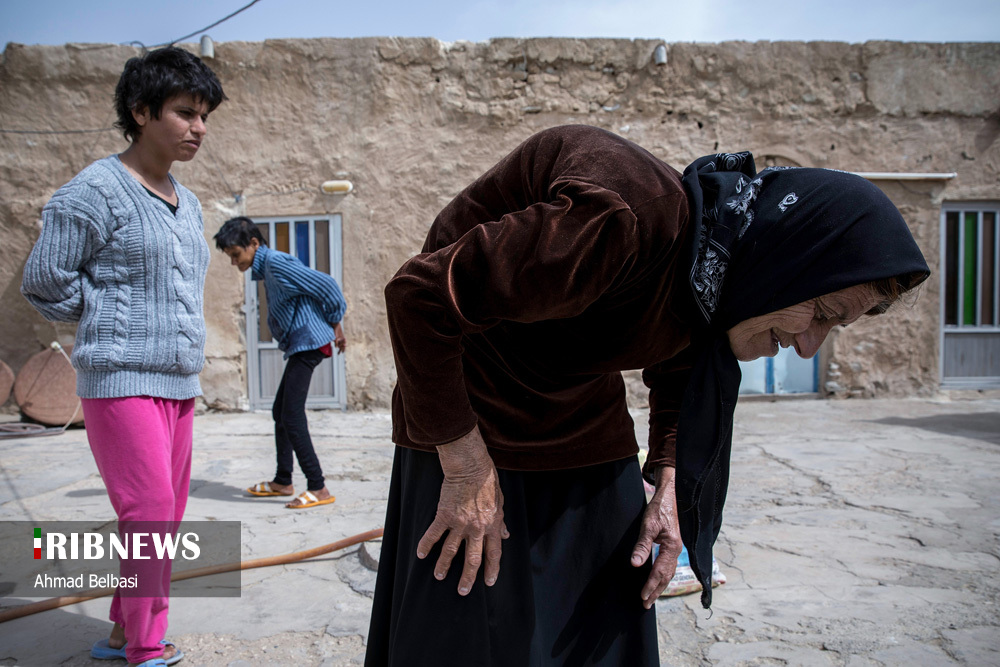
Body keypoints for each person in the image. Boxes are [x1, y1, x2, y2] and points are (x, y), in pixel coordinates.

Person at [366, 125, 929, 666]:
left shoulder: (718, 276)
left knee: (603, 629)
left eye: (834, 329)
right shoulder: (619, 223)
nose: (809, 347)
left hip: (583, 419)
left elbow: (680, 358)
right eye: (822, 314)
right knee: (470, 637)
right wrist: (464, 467)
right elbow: (418, 299)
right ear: (785, 261)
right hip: (470, 422)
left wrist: (668, 480)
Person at [21, 47, 225, 667]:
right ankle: (145, 647)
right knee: (150, 516)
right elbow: (43, 278)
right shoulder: (93, 193)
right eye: (184, 112)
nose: (198, 128)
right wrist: (106, 308)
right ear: (140, 111)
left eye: (204, 115)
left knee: (162, 513)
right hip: (119, 379)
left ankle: (119, 628)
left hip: (178, 381)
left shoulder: (186, 202)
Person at [213, 216, 347, 510]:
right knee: (280, 411)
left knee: (291, 414)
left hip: (311, 342)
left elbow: (327, 285)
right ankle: (283, 480)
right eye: (230, 258)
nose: (234, 263)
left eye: (236, 255)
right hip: (303, 343)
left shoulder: (276, 262)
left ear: (253, 244)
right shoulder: (267, 268)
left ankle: (318, 487)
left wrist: (336, 323)